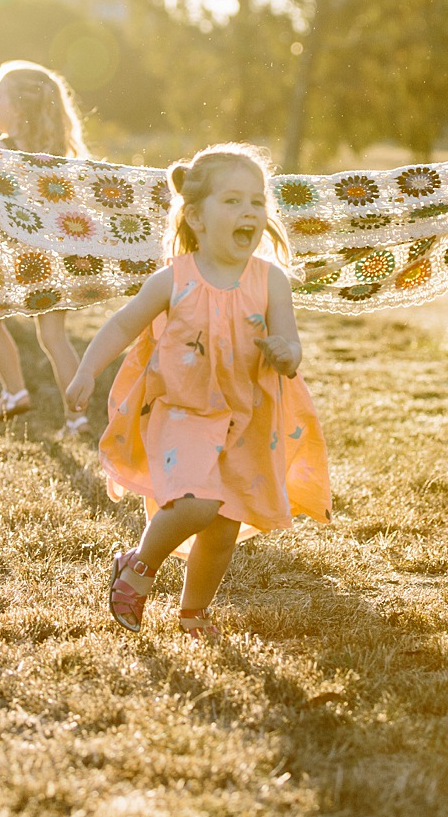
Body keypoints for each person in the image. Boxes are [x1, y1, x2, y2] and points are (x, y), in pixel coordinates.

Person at [63, 144, 331, 639]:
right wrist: (87, 369)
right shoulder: (174, 279)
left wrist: (285, 353)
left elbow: (292, 344)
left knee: (224, 528)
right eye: (231, 201)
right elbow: (123, 326)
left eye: (256, 202)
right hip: (183, 412)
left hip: (245, 419)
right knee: (197, 503)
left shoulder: (271, 281)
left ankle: (193, 613)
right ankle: (138, 567)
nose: (248, 211)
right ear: (196, 216)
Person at [0, 61, 93, 435]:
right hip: (56, 261)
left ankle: (14, 392)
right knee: (53, 338)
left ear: (19, 107)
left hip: (13, 260)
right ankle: (78, 418)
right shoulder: (64, 159)